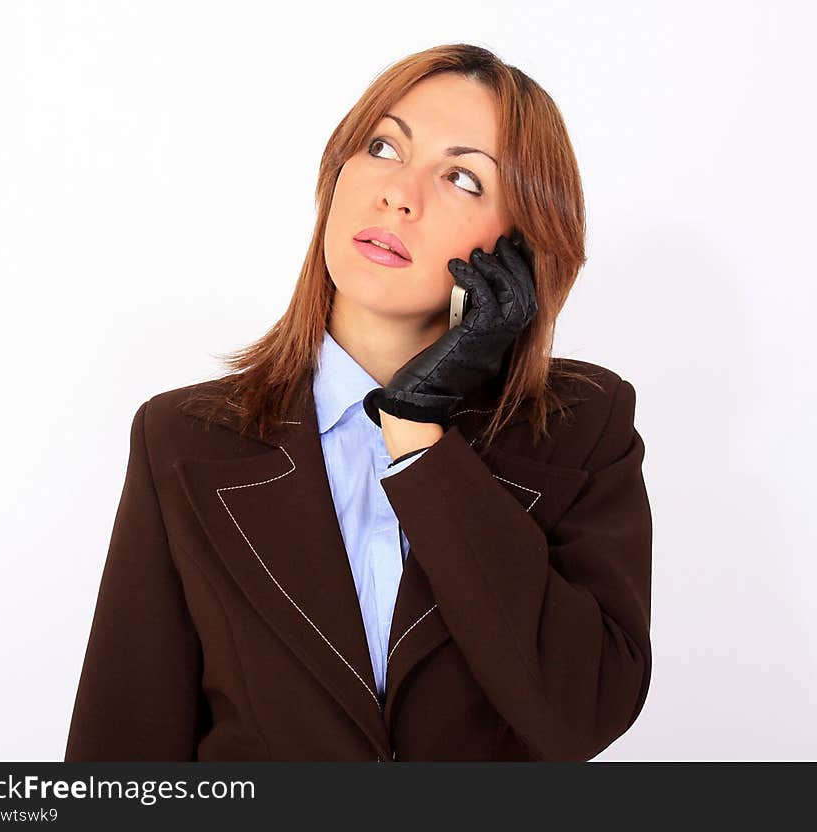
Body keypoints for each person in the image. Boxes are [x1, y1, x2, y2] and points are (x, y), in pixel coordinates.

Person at [64, 43, 652, 762]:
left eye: (463, 178)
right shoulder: (183, 439)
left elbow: (579, 713)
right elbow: (125, 744)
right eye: (382, 147)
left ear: (521, 249)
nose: (399, 194)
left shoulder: (582, 426)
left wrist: (418, 432)